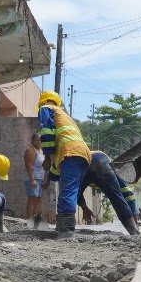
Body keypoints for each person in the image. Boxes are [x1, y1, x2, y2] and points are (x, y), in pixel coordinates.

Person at [38, 91, 91, 234]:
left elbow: (47, 133)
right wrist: (49, 178)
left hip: (71, 153)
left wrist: (47, 156)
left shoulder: (46, 109)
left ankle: (66, 229)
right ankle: (63, 227)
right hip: (81, 154)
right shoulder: (64, 116)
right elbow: (58, 171)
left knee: (67, 190)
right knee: (68, 188)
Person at [75, 151, 140, 235]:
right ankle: (134, 232)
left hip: (83, 162)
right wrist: (134, 215)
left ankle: (65, 227)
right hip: (100, 161)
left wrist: (84, 208)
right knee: (117, 198)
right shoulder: (112, 168)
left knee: (74, 192)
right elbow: (127, 193)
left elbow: (77, 193)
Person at [23, 134, 45, 228]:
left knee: (38, 200)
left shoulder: (41, 150)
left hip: (40, 179)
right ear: (32, 141)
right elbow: (29, 166)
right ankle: (29, 222)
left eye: (40, 140)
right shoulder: (31, 151)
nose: (38, 142)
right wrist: (32, 180)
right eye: (36, 140)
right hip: (32, 178)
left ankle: (35, 221)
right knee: (32, 199)